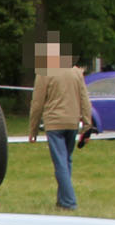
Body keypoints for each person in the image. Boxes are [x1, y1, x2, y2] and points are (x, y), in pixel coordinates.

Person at [26, 37, 96, 211]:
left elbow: (37, 103)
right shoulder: (76, 72)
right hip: (72, 123)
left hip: (54, 124)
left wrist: (33, 129)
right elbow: (85, 100)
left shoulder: (45, 72)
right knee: (66, 161)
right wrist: (87, 126)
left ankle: (69, 201)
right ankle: (62, 200)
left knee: (60, 163)